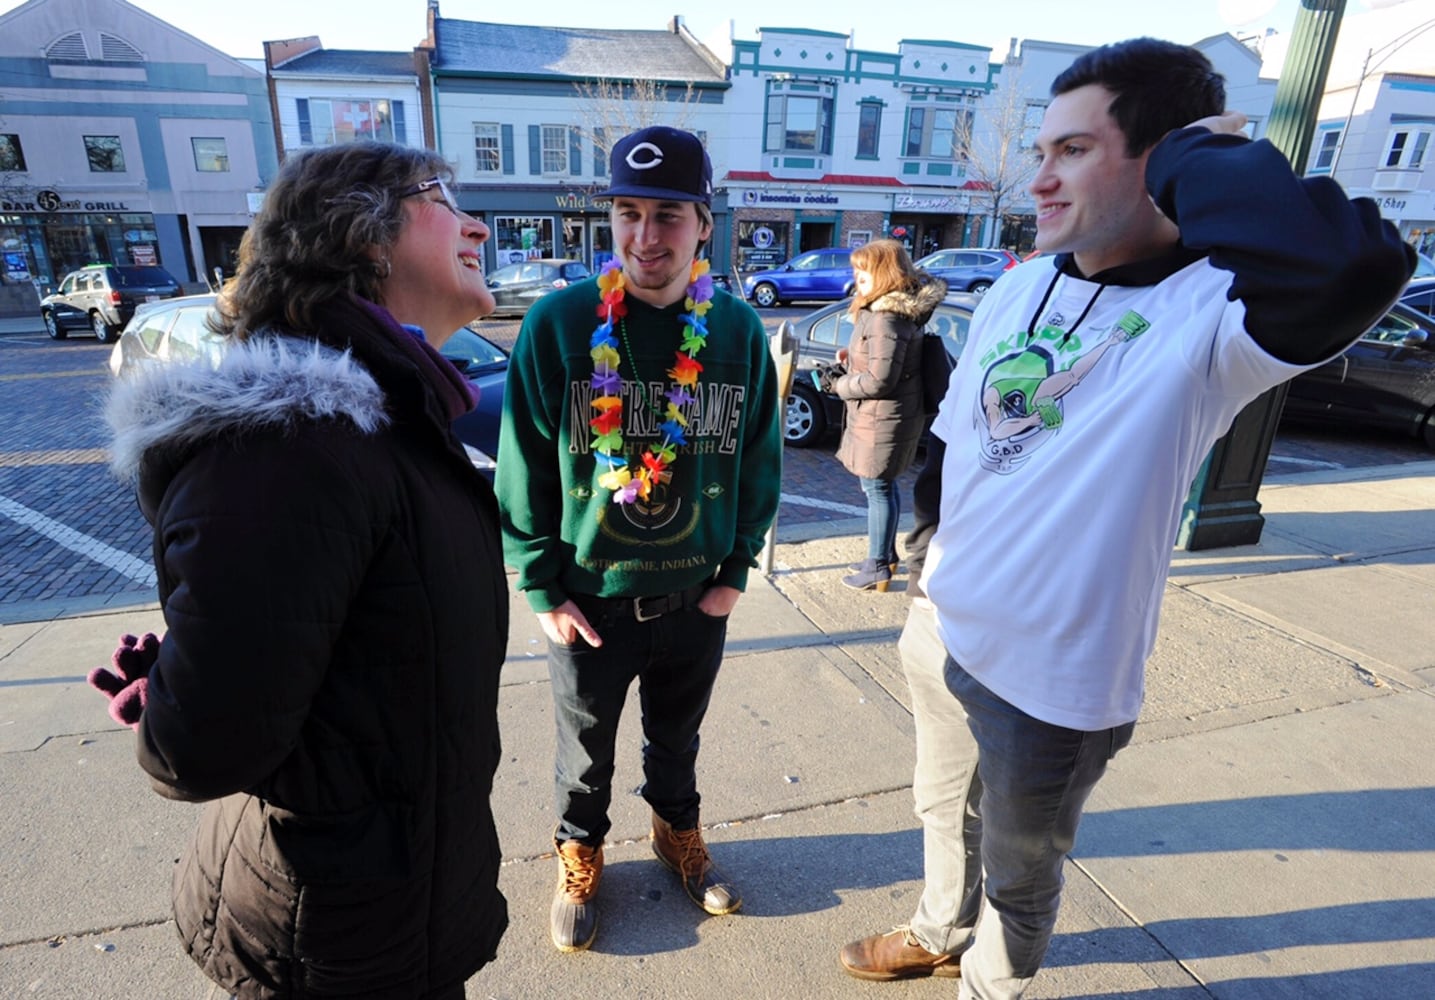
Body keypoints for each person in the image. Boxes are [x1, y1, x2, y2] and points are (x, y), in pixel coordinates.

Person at [838, 38, 1414, 997]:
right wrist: (929, 564)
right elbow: (958, 447)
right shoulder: (1023, 281)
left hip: (1055, 676)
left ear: (1161, 159)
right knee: (942, 811)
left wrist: (1190, 153)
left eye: (1071, 151)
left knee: (1020, 874)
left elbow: (1350, 262)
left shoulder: (1216, 318)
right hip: (941, 623)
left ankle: (992, 984)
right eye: (1041, 152)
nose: (1038, 179)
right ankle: (939, 927)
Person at [91, 141, 509, 999]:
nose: (476, 223)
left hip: (399, 905)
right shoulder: (287, 451)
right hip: (324, 939)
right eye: (439, 196)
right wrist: (183, 692)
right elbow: (194, 753)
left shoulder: (391, 421)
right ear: (363, 235)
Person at [494, 125, 782, 953]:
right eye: (627, 212)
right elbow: (523, 465)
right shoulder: (559, 324)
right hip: (590, 599)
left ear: (702, 224)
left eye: (666, 215)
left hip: (697, 595)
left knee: (677, 740)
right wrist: (541, 583)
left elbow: (760, 456)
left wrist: (734, 571)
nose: (644, 237)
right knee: (582, 756)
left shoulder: (731, 333)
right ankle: (579, 854)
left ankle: (675, 836)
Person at [828, 238, 946, 591]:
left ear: (883, 273)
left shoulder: (886, 318)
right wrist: (852, 360)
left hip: (884, 418)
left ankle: (877, 565)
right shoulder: (896, 312)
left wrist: (840, 385)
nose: (857, 277)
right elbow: (888, 362)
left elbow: (880, 380)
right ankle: (884, 555)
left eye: (864, 271)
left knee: (876, 488)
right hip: (890, 416)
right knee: (882, 486)